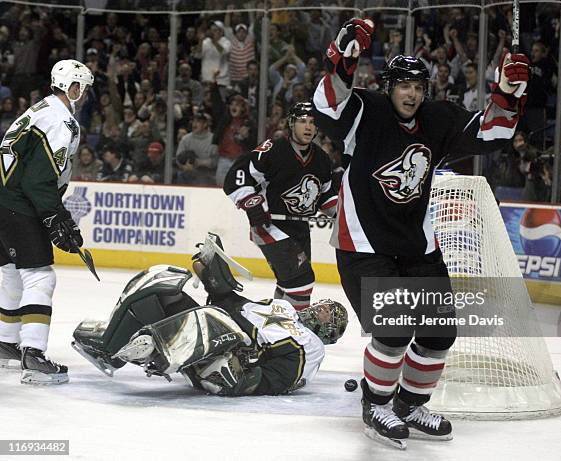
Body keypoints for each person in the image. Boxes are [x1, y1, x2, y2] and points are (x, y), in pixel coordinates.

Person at [313, 19, 529, 448]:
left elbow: (492, 133)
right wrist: (342, 58)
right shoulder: (366, 111)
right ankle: (376, 404)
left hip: (417, 245)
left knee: (437, 332)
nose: (410, 93)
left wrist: (508, 92)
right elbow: (327, 107)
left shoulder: (438, 118)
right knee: (392, 329)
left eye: (418, 86)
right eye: (402, 85)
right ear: (388, 86)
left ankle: (409, 405)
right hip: (364, 244)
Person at [72, 234, 348, 396]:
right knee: (162, 285)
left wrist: (247, 380)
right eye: (324, 305)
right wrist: (212, 275)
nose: (322, 308)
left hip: (225, 363)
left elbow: (285, 377)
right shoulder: (284, 308)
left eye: (330, 314)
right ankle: (111, 348)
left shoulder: (312, 346)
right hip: (217, 329)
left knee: (210, 319)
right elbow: (235, 305)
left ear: (329, 332)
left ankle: (156, 347)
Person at [0, 59, 94, 384]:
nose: (84, 94)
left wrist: (57, 214)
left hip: (3, 201)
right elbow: (39, 181)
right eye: (82, 87)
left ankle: (5, 343)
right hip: (17, 205)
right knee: (40, 277)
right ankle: (33, 354)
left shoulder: (40, 109)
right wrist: (55, 217)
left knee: (11, 274)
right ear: (74, 87)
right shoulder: (61, 120)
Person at [223, 102, 337, 310]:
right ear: (291, 124)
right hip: (270, 226)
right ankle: (296, 333)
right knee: (302, 281)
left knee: (289, 284)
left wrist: (340, 214)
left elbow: (325, 194)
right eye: (303, 121)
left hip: (301, 229)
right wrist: (252, 203)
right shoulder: (272, 150)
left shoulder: (321, 159)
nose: (308, 127)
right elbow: (237, 175)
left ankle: (277, 328)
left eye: (312, 122)